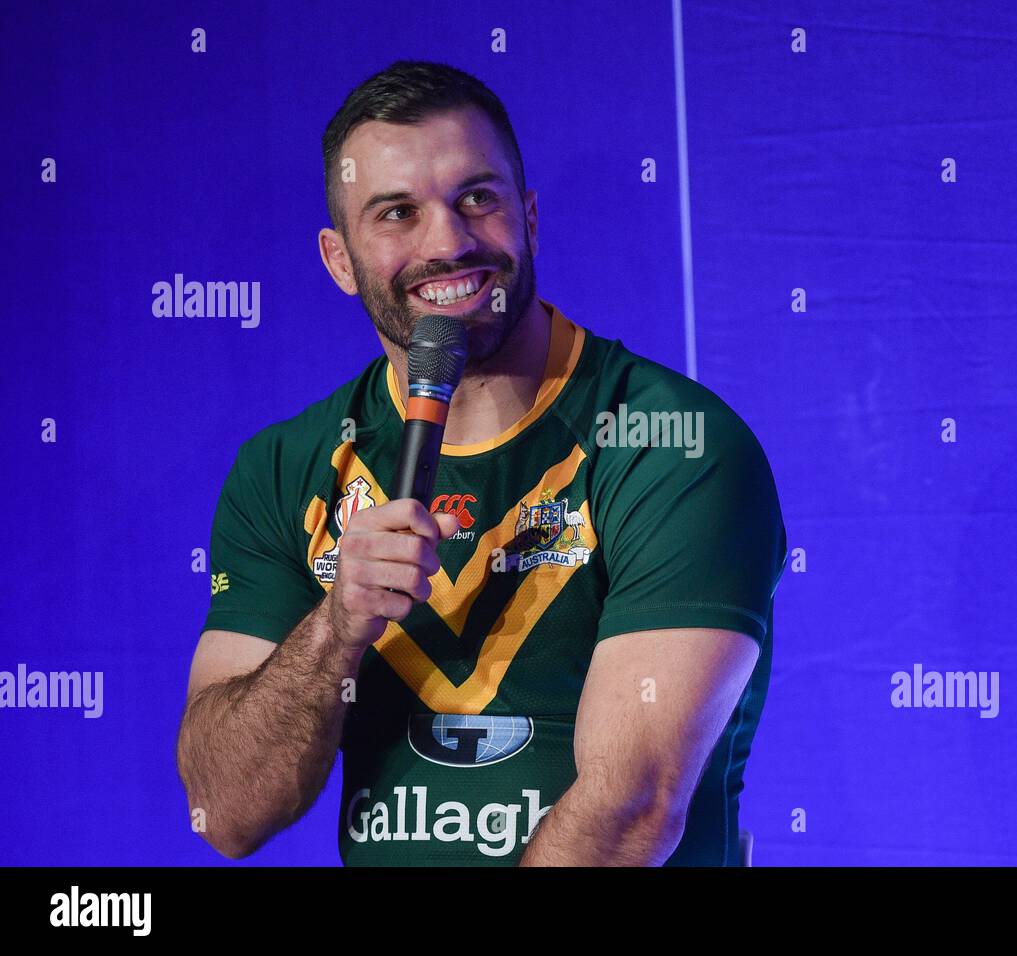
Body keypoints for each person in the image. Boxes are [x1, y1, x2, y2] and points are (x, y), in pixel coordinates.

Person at [176, 60, 787, 866]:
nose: (449, 242)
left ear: (529, 215)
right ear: (337, 258)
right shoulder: (286, 468)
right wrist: (335, 627)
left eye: (478, 198)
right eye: (397, 213)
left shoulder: (672, 442)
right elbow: (222, 811)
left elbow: (630, 809)